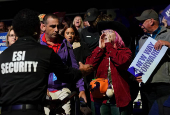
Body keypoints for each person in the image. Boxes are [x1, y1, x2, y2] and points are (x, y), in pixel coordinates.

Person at [0, 8, 92, 115]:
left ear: (15, 30)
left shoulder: (3, 57)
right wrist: (82, 72)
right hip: (33, 111)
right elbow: (66, 75)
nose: (57, 30)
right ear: (38, 28)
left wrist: (47, 102)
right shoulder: (45, 53)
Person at [40, 13, 87, 115]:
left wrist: (81, 89)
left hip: (63, 90)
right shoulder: (37, 44)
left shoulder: (65, 43)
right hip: (44, 92)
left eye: (58, 26)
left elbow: (74, 67)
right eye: (53, 26)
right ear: (43, 27)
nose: (56, 30)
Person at [85, 20, 133, 115]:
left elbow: (121, 63)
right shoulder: (100, 51)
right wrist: (99, 48)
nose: (105, 34)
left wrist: (109, 46)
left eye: (109, 31)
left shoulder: (125, 51)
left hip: (119, 99)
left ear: (117, 35)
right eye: (103, 32)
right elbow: (89, 66)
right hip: (100, 97)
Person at [135, 9, 170, 115]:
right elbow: (137, 60)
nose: (140, 25)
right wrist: (136, 74)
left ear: (151, 21)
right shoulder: (141, 39)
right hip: (147, 86)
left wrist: (168, 44)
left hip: (164, 84)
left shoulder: (168, 34)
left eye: (142, 22)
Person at [61, 24, 92, 113]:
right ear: (64, 34)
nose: (70, 35)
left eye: (72, 33)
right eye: (67, 33)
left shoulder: (82, 45)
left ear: (75, 34)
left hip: (80, 78)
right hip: (67, 80)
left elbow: (89, 60)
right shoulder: (61, 47)